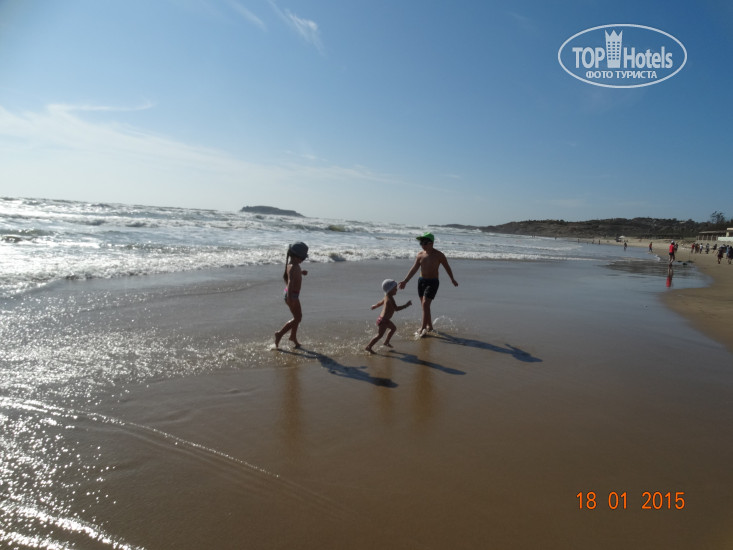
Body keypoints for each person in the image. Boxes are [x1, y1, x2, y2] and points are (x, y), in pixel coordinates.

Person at [398, 232, 458, 337]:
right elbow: (414, 268)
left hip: (433, 282)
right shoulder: (420, 255)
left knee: (425, 304)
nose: (423, 245)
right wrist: (405, 281)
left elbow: (447, 267)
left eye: (425, 243)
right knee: (424, 305)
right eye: (421, 243)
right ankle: (430, 326)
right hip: (421, 281)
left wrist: (452, 279)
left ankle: (423, 328)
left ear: (432, 243)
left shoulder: (439, 255)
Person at [274, 242, 308, 349]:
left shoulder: (291, 265)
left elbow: (292, 274)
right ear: (297, 256)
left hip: (290, 294)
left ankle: (293, 337)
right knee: (298, 318)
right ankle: (280, 333)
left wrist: (301, 272)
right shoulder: (294, 267)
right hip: (292, 295)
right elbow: (290, 282)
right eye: (303, 258)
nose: (303, 260)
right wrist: (290, 298)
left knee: (297, 317)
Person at [365, 279, 412, 353]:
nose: (396, 289)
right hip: (383, 321)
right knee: (379, 335)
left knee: (393, 328)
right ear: (390, 290)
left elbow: (380, 303)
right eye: (395, 288)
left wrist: (375, 306)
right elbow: (396, 309)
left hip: (384, 319)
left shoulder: (386, 296)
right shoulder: (390, 298)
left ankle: (386, 342)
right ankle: (369, 347)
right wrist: (406, 305)